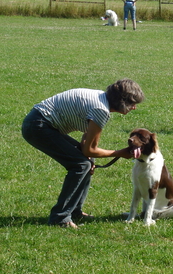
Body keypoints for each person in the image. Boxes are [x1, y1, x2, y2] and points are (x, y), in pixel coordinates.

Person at [22, 79, 145, 229]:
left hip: (39, 122)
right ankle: (60, 218)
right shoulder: (101, 109)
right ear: (121, 101)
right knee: (80, 165)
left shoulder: (100, 99)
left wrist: (88, 156)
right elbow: (89, 149)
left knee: (86, 161)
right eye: (132, 104)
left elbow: (87, 142)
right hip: (37, 126)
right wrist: (120, 153)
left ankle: (74, 211)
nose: (134, 108)